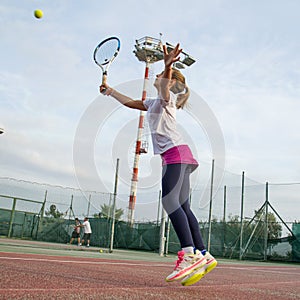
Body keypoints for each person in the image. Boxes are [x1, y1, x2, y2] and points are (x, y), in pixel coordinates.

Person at [100, 43, 217, 285]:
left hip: (175, 154)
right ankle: (203, 254)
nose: (157, 77)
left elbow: (164, 85)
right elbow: (131, 103)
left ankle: (188, 253)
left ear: (171, 81)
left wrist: (168, 64)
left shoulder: (167, 98)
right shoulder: (154, 103)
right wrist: (110, 91)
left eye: (163, 77)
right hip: (181, 155)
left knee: (169, 201)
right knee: (183, 207)